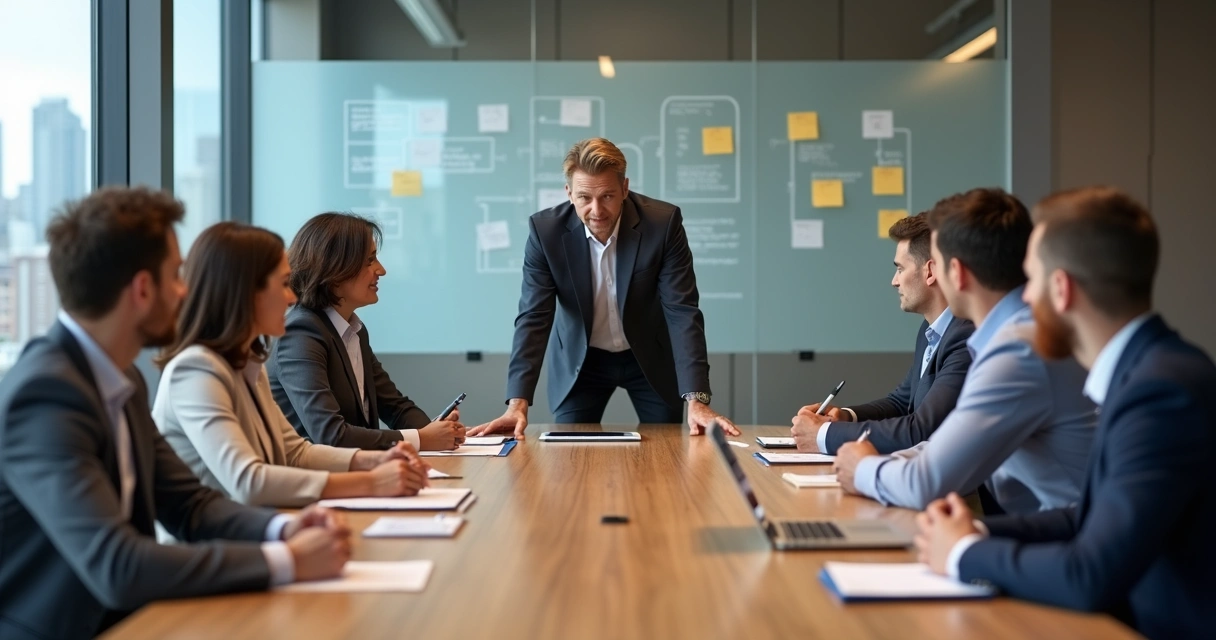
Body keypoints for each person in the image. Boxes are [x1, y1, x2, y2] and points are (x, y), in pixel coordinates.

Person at [0, 187, 350, 640]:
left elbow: (190, 505)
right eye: (176, 275)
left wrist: (283, 526)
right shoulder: (46, 395)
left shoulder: (118, 379)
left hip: (136, 619)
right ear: (143, 289)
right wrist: (287, 560)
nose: (185, 291)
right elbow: (117, 563)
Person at [915, 187, 1216, 640]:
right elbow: (1088, 517)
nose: (1024, 298)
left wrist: (965, 553)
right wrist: (977, 530)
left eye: (1030, 280)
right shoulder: (1148, 370)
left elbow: (1089, 575)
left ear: (1061, 290)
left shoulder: (1160, 390)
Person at [832, 188, 1096, 514]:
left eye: (938, 266)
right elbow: (953, 445)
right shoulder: (1012, 336)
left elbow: (926, 484)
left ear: (955, 273)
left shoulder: (1019, 351)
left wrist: (862, 469)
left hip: (1072, 543)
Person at [471, 137, 737, 439]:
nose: (596, 210)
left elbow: (682, 311)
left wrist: (697, 398)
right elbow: (534, 317)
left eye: (608, 196)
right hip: (581, 361)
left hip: (649, 356)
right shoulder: (546, 233)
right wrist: (516, 404)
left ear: (625, 189)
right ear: (569, 194)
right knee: (570, 456)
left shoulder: (662, 224)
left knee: (667, 453)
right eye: (585, 197)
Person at [153, 222, 431, 508]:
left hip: (259, 529)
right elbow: (249, 482)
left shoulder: (248, 365)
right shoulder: (196, 371)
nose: (292, 297)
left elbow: (296, 453)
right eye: (284, 284)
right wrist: (371, 482)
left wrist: (375, 459)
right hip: (217, 545)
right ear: (248, 292)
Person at [267, 213, 465, 451]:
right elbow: (330, 435)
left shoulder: (353, 330)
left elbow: (394, 406)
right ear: (335, 268)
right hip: (316, 482)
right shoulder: (301, 334)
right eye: (370, 260)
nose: (381, 270)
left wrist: (441, 431)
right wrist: (422, 438)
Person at [791, 212, 974, 454]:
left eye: (900, 269)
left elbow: (921, 429)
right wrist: (845, 416)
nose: (894, 281)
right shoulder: (931, 330)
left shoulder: (964, 337)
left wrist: (823, 435)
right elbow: (901, 402)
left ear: (930, 272)